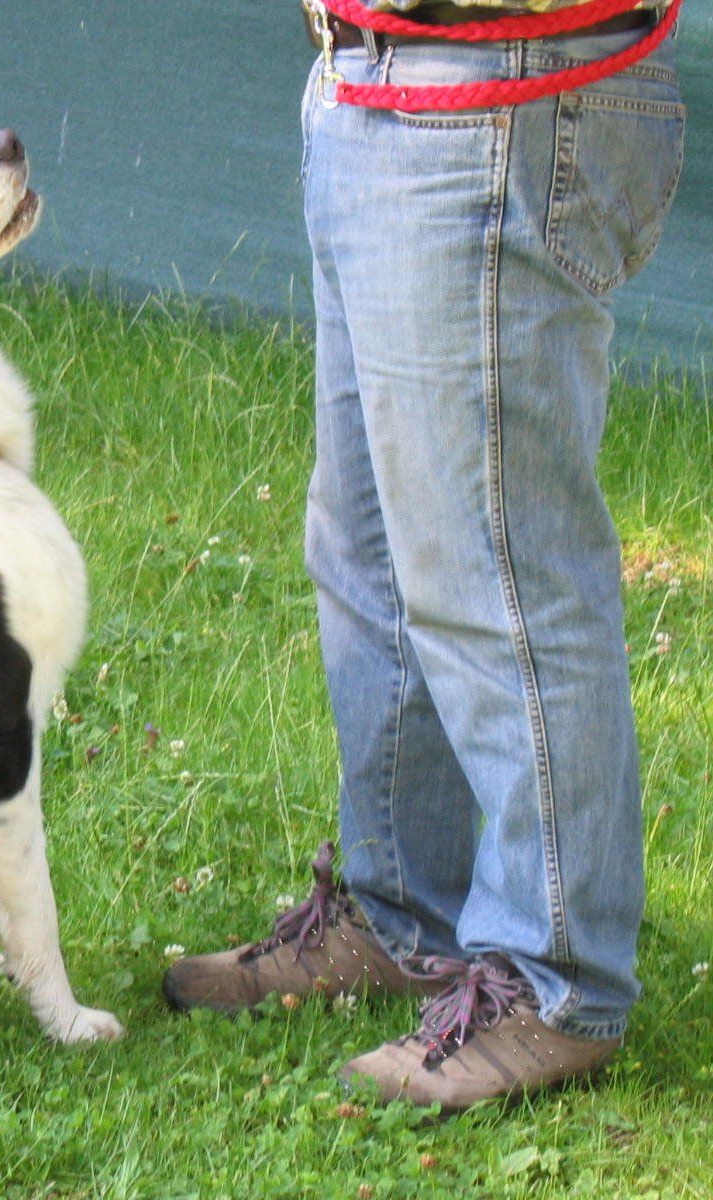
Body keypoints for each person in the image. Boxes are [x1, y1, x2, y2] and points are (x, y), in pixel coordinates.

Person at [163, 0, 685, 1110]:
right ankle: (404, 912)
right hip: (370, 75)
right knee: (370, 557)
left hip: (498, 84)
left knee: (496, 572)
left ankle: (557, 980)